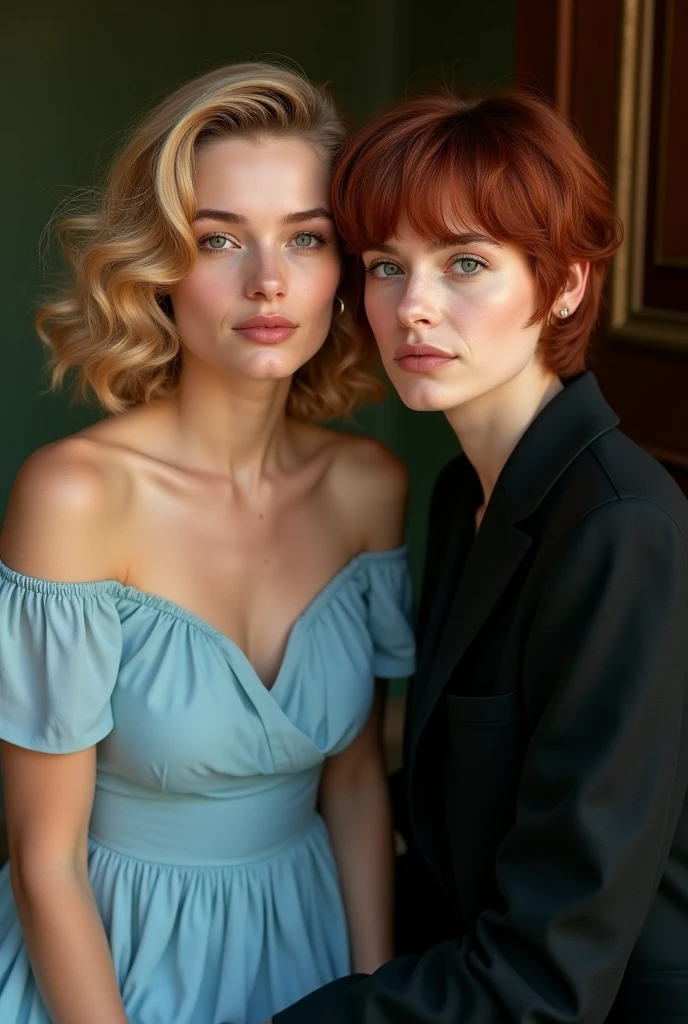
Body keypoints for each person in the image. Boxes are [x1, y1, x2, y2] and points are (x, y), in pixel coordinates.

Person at [0, 63, 415, 1024]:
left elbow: (352, 789)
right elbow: (44, 858)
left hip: (311, 955)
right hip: (109, 966)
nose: (267, 281)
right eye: (219, 238)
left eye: (305, 239)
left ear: (344, 270)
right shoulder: (73, 498)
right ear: (157, 266)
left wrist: (379, 1003)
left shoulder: (368, 489)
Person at [270, 92, 688, 1024]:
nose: (413, 308)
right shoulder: (467, 492)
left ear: (568, 284)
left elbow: (551, 971)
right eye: (386, 266)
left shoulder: (620, 530)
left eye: (465, 263)